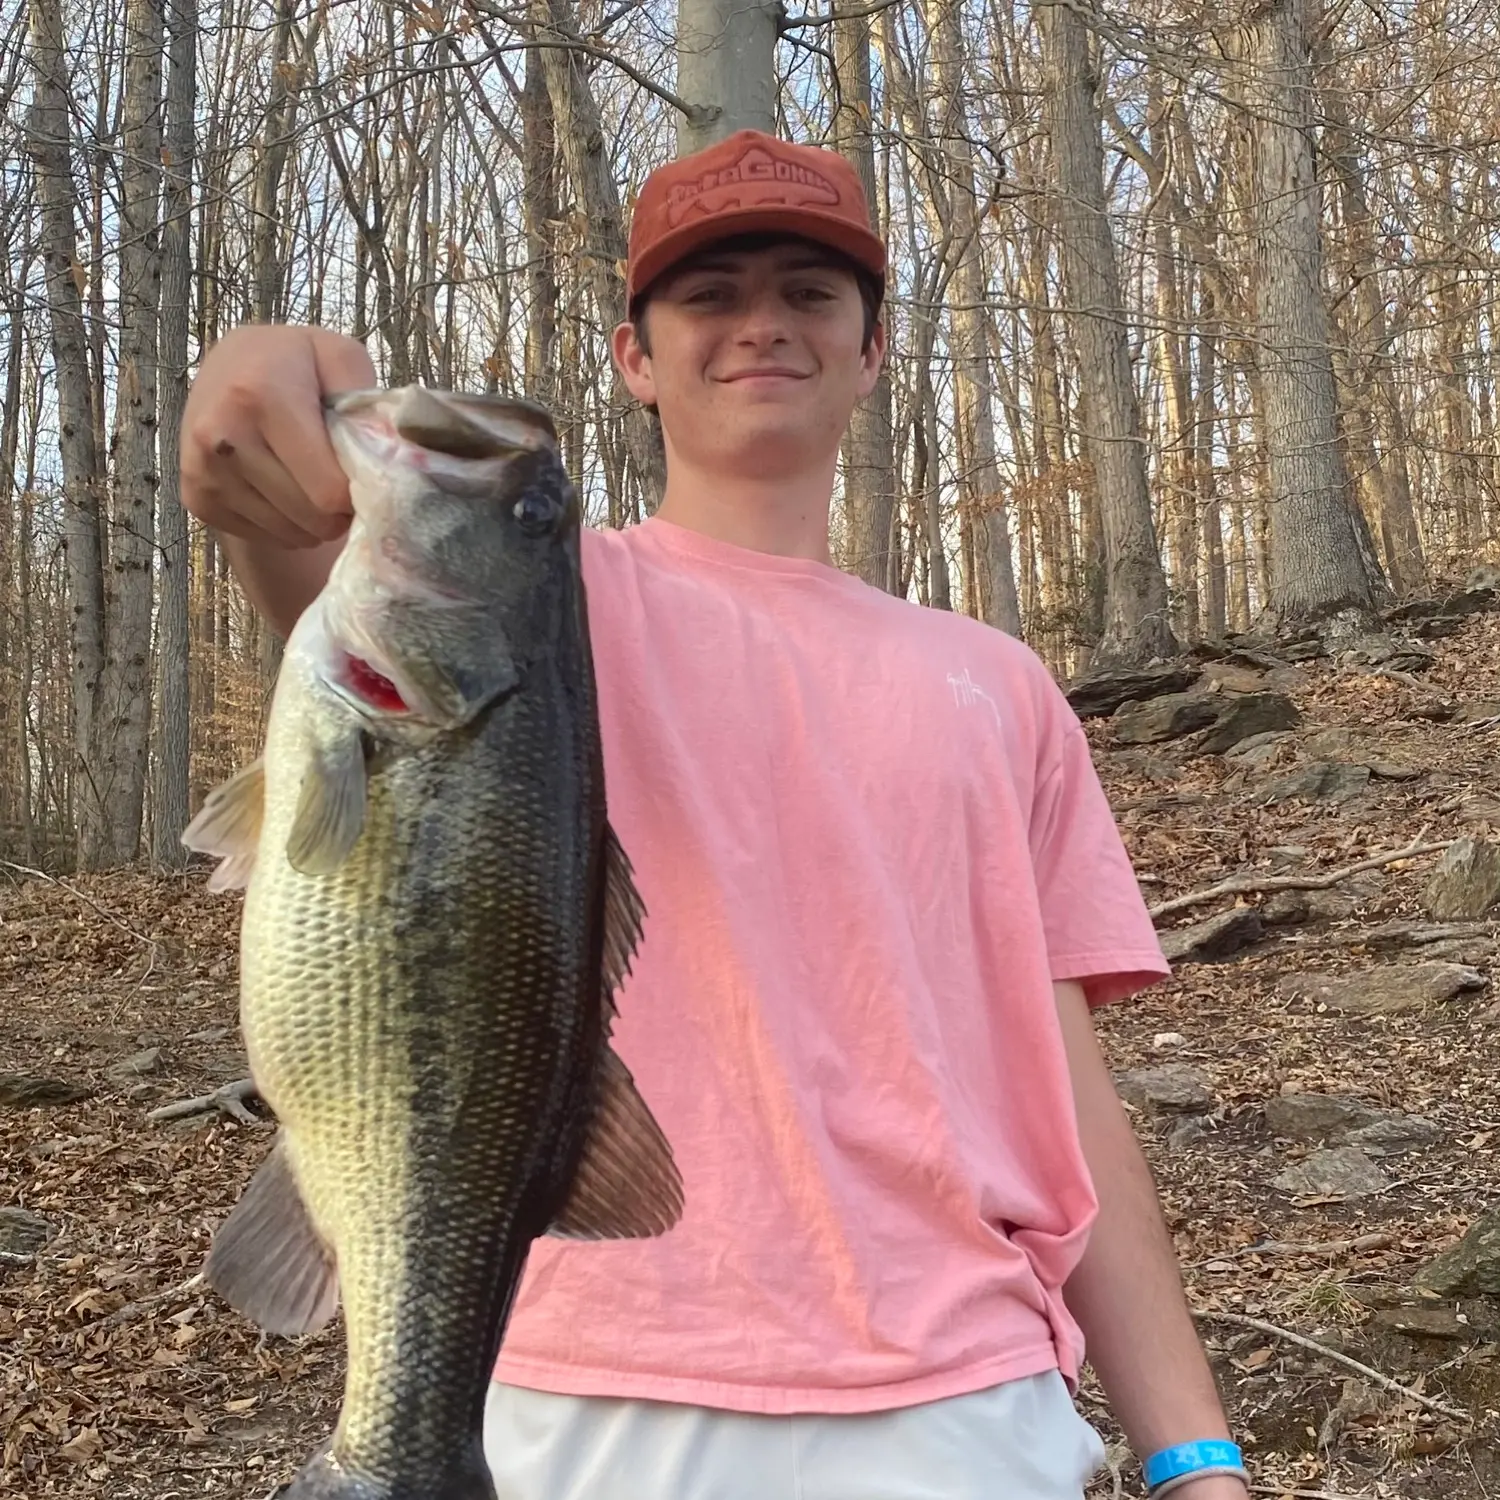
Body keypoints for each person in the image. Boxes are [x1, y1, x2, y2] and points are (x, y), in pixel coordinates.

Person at [180, 130, 1248, 1500]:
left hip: (967, 1407)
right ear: (636, 355)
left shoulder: (1006, 687)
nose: (762, 322)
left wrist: (1195, 1454)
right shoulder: (551, 601)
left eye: (811, 291)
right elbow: (315, 553)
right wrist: (263, 377)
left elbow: (1069, 1102)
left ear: (872, 350)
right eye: (710, 292)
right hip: (588, 1393)